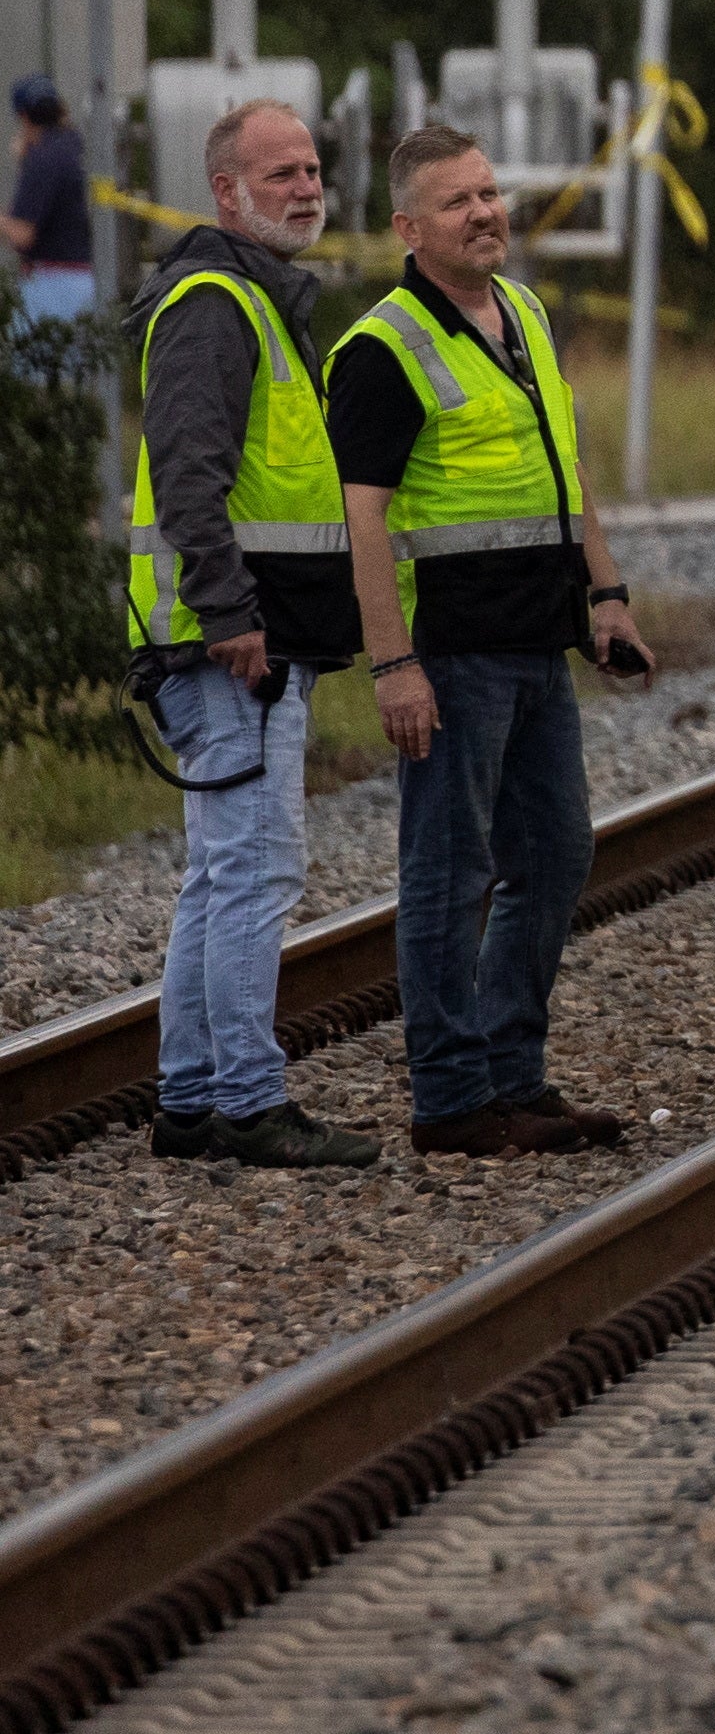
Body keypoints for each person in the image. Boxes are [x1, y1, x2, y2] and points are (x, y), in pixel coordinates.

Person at [333, 127, 654, 1158]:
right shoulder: (385, 348)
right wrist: (394, 665)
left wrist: (606, 596)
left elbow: (567, 470)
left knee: (556, 858)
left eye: (489, 192)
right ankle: (452, 1098)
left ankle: (514, 1074)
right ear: (408, 226)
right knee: (448, 874)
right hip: (456, 654)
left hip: (539, 640)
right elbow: (365, 521)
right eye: (457, 201)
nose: (484, 213)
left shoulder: (522, 313)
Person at [124, 102, 382, 1168]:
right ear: (227, 192)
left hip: (245, 644)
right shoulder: (216, 305)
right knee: (259, 871)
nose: (306, 188)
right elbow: (190, 475)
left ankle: (189, 1103)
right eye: (280, 173)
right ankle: (247, 1102)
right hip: (229, 648)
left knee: (223, 873)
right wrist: (230, 616)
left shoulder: (263, 303)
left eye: (313, 169)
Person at [8, 74, 93, 322]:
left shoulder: (42, 158)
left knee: (40, 359)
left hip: (50, 283)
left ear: (23, 116)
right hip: (83, 278)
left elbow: (23, 234)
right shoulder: (72, 145)